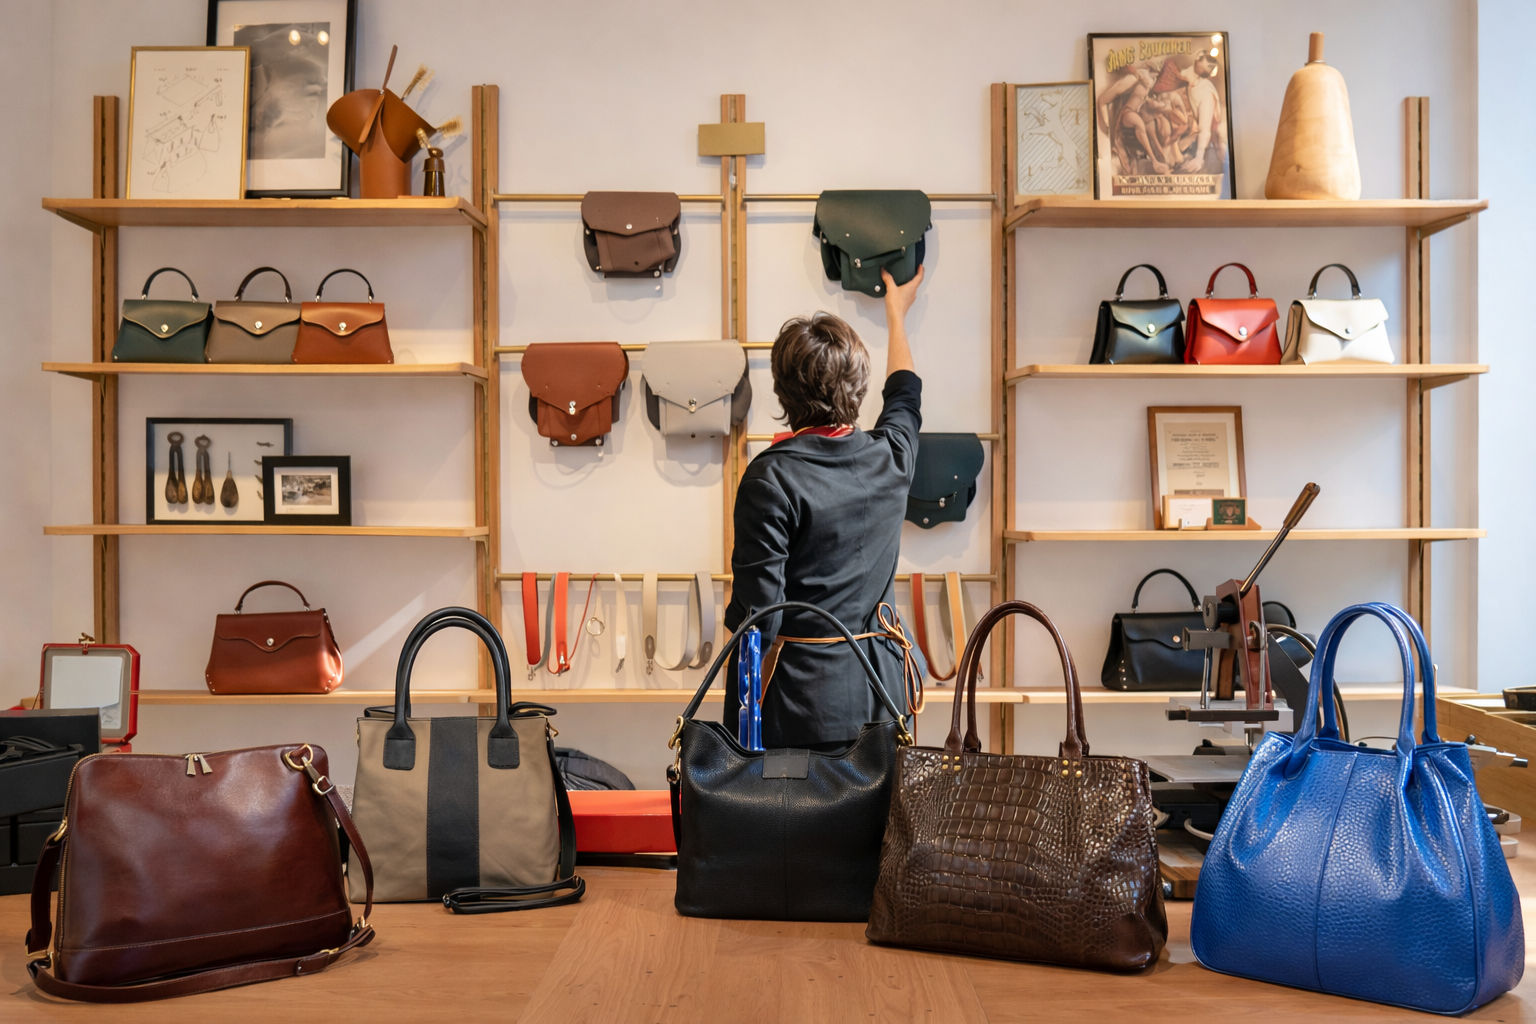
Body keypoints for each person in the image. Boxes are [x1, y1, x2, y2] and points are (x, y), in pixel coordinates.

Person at [722, 265, 925, 750]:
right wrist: (896, 316)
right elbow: (905, 392)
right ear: (859, 385)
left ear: (781, 390)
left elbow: (760, 618)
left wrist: (737, 733)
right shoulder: (891, 456)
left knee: (782, 805)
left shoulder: (771, 477)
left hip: (799, 707)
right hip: (884, 697)